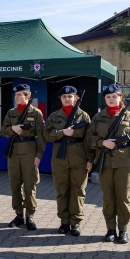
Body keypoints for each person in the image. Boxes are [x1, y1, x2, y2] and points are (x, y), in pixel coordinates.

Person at [86, 83, 130, 244]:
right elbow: (89, 139)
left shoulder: (129, 117)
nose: (112, 99)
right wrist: (101, 144)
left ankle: (123, 230)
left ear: (120, 97)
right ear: (104, 99)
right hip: (105, 162)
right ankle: (110, 229)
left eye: (115, 96)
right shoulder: (98, 118)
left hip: (124, 162)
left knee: (124, 198)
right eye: (108, 97)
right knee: (108, 198)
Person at [44, 86, 95, 236]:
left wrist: (90, 159)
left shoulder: (83, 116)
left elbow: (89, 139)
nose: (67, 99)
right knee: (62, 190)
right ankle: (64, 222)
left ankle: (76, 223)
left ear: (76, 98)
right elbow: (46, 135)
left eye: (70, 96)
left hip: (79, 157)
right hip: (60, 158)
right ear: (60, 99)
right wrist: (62, 132)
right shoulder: (54, 116)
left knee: (78, 191)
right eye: (64, 96)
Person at [1, 84, 46, 230]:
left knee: (30, 185)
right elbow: (3, 131)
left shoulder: (36, 113)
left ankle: (30, 216)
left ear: (27, 96)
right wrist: (12, 129)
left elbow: (41, 136)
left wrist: (38, 155)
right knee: (15, 185)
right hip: (13, 151)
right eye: (15, 95)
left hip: (29, 151)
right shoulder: (11, 113)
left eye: (20, 94)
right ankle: (19, 214)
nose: (17, 97)